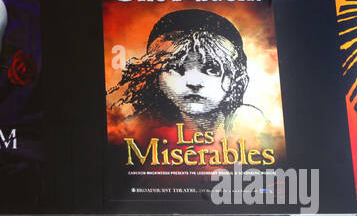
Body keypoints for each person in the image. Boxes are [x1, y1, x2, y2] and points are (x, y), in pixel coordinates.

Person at [109, 9, 277, 153]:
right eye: (175, 68)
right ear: (155, 76)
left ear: (238, 81)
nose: (194, 82)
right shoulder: (133, 134)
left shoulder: (260, 131)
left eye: (212, 69)